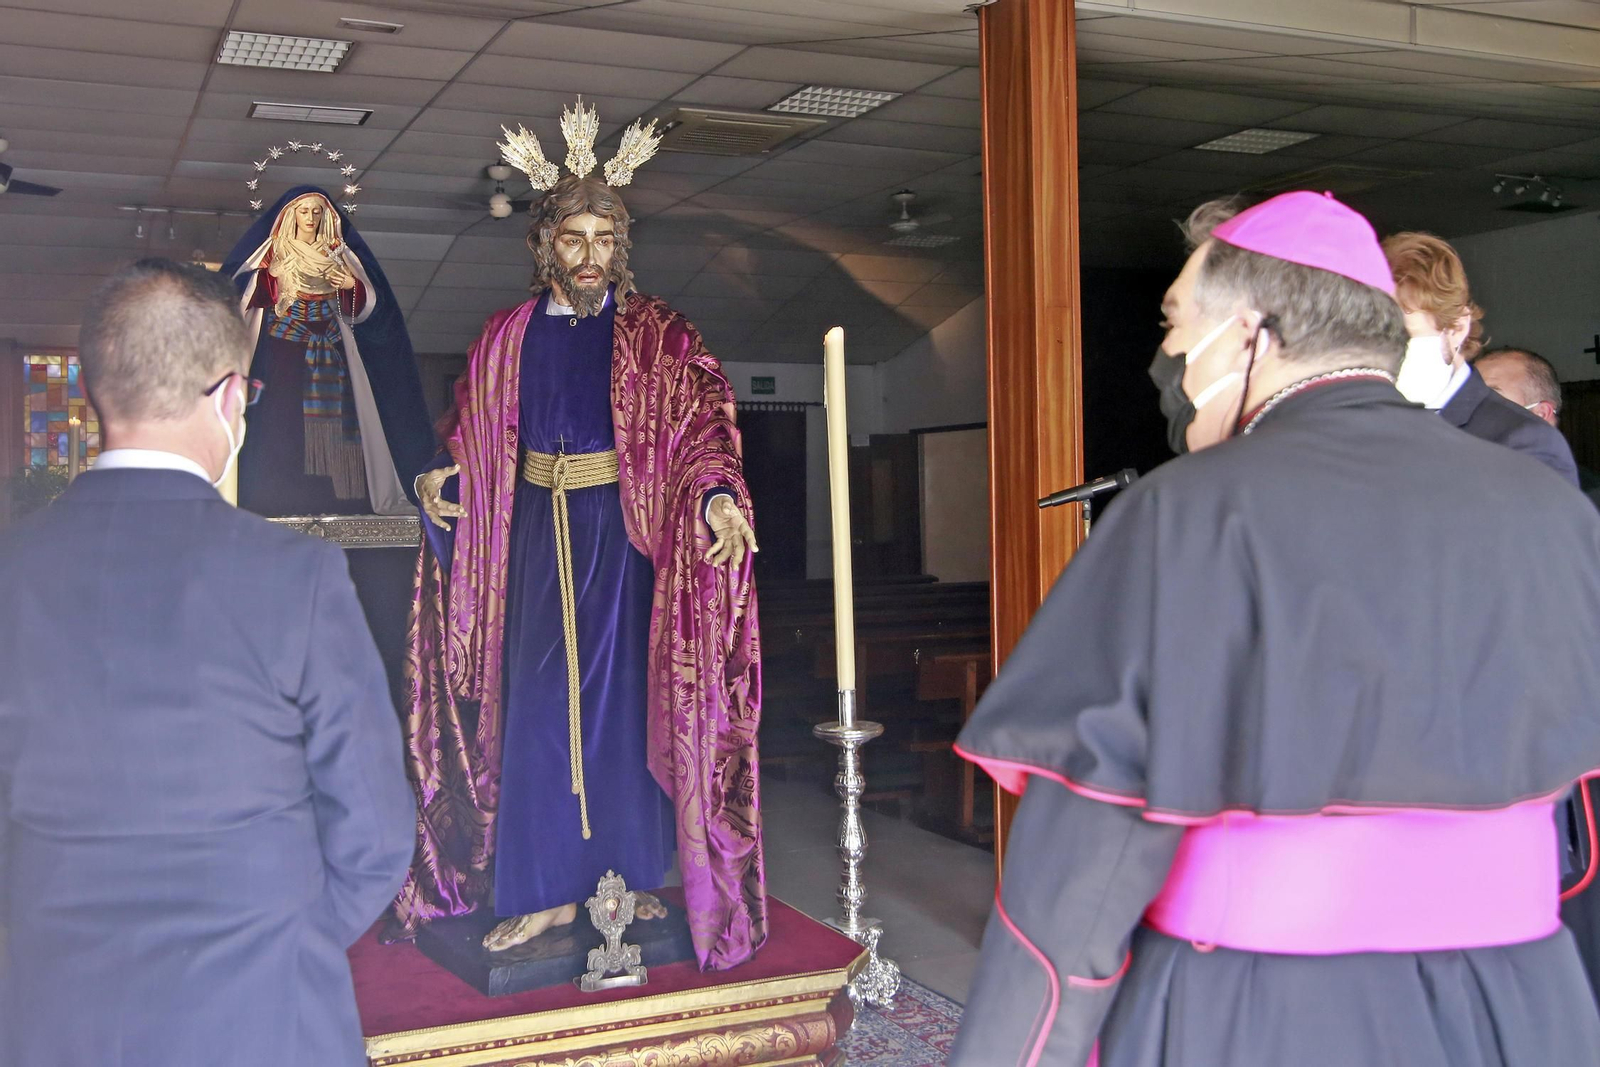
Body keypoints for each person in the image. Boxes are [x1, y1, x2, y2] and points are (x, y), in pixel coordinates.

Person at [949, 192, 1600, 1066]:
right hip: (1526, 1004)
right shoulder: (1551, 509)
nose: (1172, 355)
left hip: (1261, 1008)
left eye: (1179, 322)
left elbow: (1081, 877)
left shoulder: (1185, 512)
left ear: (1251, 331)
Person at [0, 259, 417, 1066]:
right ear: (232, 396)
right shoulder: (297, 576)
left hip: (53, 1017)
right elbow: (374, 829)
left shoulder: (11, 572)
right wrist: (279, 935)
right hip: (261, 1017)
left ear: (91, 390)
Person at [388, 102, 767, 971]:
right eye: (574, 238)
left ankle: (627, 879)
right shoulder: (505, 337)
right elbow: (470, 433)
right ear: (545, 246)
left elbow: (702, 427)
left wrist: (713, 497)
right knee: (535, 715)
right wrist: (444, 476)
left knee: (625, 707)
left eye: (605, 236)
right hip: (527, 543)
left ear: (620, 245)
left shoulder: (658, 336)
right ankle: (542, 894)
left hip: (624, 541)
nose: (591, 254)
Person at [222, 186, 434, 516]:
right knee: (278, 430)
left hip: (332, 359)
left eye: (317, 211)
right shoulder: (271, 256)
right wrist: (271, 279)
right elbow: (235, 298)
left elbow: (372, 314)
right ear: (291, 215)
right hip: (282, 356)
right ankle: (271, 495)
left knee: (340, 434)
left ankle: (339, 500)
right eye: (304, 211)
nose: (310, 218)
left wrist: (351, 287)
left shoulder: (340, 256)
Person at [1383, 231, 1578, 485]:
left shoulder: (1522, 440)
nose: (1387, 352)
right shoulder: (1361, 427)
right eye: (1376, 339)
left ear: (1456, 328)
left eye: (1405, 335)